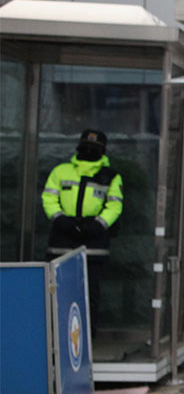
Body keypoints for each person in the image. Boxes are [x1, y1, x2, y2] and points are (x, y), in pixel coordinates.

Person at [42, 128, 123, 317]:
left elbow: (115, 205)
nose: (88, 151)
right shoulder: (61, 171)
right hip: (62, 236)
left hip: (94, 239)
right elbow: (49, 198)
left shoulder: (110, 176)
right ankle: (55, 329)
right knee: (56, 289)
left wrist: (99, 225)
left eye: (93, 148)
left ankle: (89, 331)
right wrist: (60, 219)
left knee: (90, 292)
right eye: (85, 147)